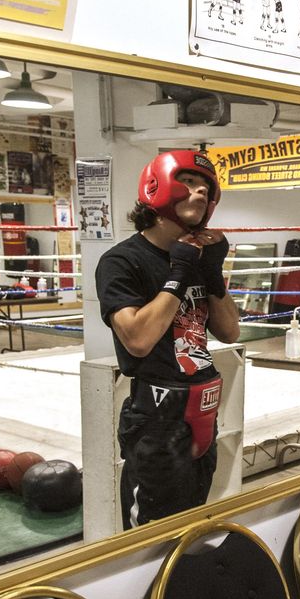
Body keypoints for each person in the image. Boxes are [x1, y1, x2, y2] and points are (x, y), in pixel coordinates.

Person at [95, 150, 240, 529]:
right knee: (152, 538)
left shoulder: (196, 258)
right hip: (156, 420)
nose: (199, 194)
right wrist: (177, 274)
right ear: (158, 186)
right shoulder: (122, 261)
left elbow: (229, 331)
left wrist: (211, 273)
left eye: (206, 189)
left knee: (194, 526)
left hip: (204, 412)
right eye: (190, 183)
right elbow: (138, 340)